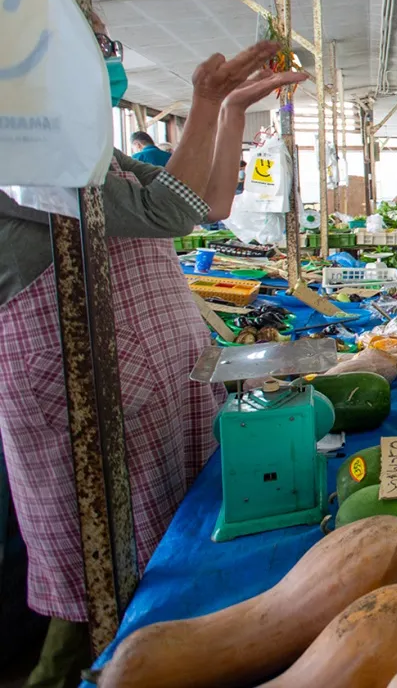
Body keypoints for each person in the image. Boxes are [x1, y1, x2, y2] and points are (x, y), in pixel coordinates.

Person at [0, 41, 305, 687]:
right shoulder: (17, 139)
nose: (101, 53)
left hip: (147, 365)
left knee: (157, 537)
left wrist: (229, 113)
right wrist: (206, 99)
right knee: (105, 560)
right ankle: (77, 671)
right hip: (79, 376)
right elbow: (167, 209)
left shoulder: (77, 141)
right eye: (92, 36)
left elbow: (210, 204)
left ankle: (143, 651)